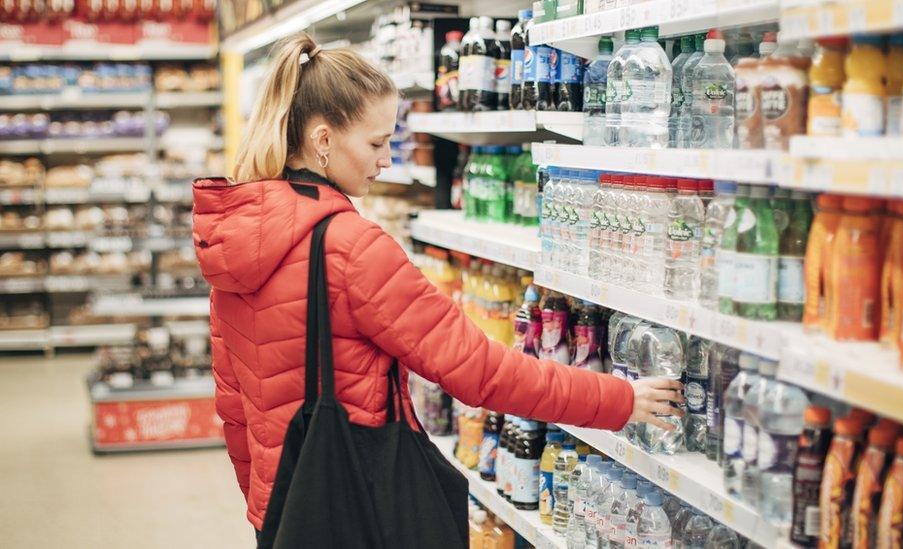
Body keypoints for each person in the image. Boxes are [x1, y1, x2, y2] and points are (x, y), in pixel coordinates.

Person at [192, 33, 684, 539]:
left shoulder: (231, 241)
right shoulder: (352, 249)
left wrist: (269, 512)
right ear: (322, 140)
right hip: (358, 511)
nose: (386, 161)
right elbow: (481, 371)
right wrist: (619, 399)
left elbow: (234, 409)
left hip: (285, 515)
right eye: (377, 143)